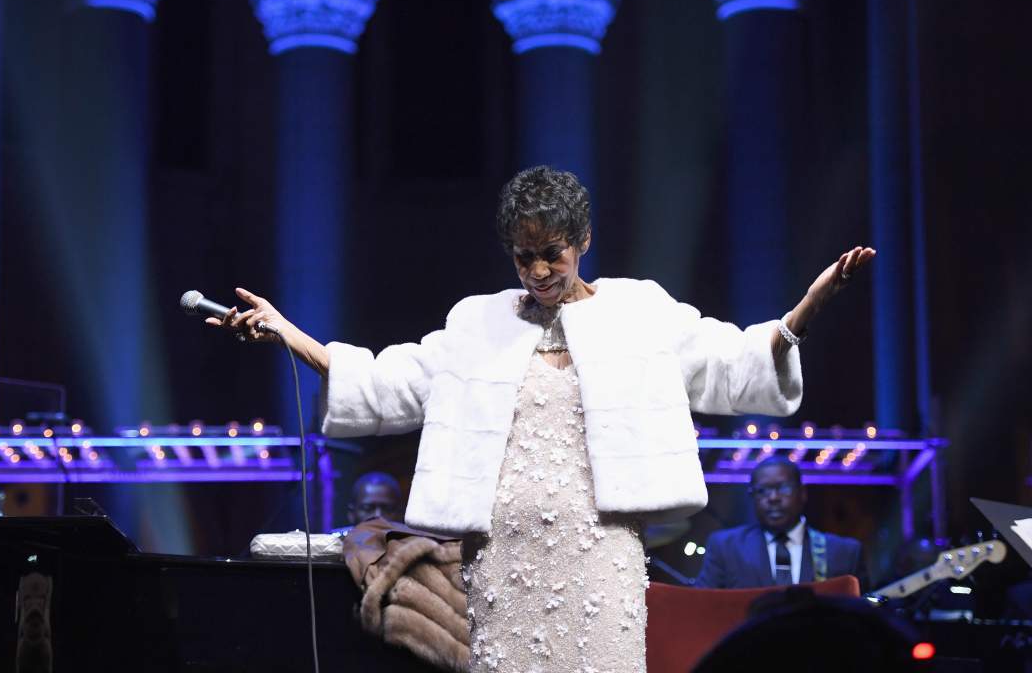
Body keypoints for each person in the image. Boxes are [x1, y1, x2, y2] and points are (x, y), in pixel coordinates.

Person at [208, 166, 874, 673]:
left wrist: (803, 312)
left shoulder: (637, 313)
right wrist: (288, 335)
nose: (539, 270)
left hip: (600, 561)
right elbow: (387, 383)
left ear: (582, 239)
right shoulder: (478, 323)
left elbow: (735, 363)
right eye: (524, 256)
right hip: (503, 565)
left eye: (552, 252)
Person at [694, 456, 868, 589]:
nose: (773, 498)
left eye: (783, 488)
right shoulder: (726, 547)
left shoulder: (844, 552)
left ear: (802, 493)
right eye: (762, 491)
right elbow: (703, 605)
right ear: (752, 497)